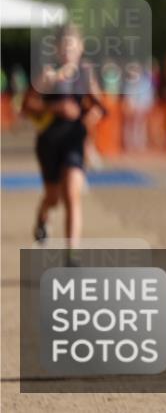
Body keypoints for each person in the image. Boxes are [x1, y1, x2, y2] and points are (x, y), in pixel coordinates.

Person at [20, 24, 105, 265]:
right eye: (64, 45)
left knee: (72, 195)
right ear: (57, 49)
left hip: (74, 141)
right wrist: (56, 106)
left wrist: (89, 119)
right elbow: (26, 106)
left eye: (73, 45)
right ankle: (42, 217)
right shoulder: (47, 74)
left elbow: (100, 107)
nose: (68, 50)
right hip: (49, 142)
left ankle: (72, 255)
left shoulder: (86, 73)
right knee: (53, 197)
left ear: (81, 48)